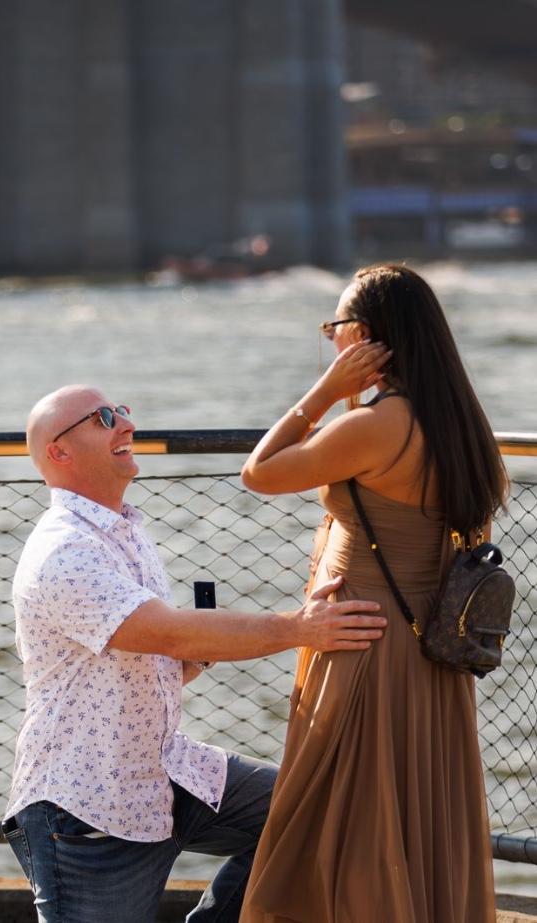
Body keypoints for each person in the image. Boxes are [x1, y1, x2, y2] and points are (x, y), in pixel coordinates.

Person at [0, 384, 388, 923]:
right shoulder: (65, 551)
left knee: (316, 809)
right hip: (87, 807)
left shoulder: (124, 530)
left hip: (168, 771)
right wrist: (301, 628)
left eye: (122, 412)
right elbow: (167, 632)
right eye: (102, 418)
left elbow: (148, 658)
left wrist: (200, 653)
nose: (125, 425)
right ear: (59, 453)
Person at [238, 264, 509, 923]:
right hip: (430, 656)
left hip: (362, 641)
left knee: (342, 824)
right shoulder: (460, 424)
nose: (329, 340)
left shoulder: (374, 425)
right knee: (414, 819)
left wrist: (324, 393)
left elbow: (260, 472)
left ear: (361, 337)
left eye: (333, 328)